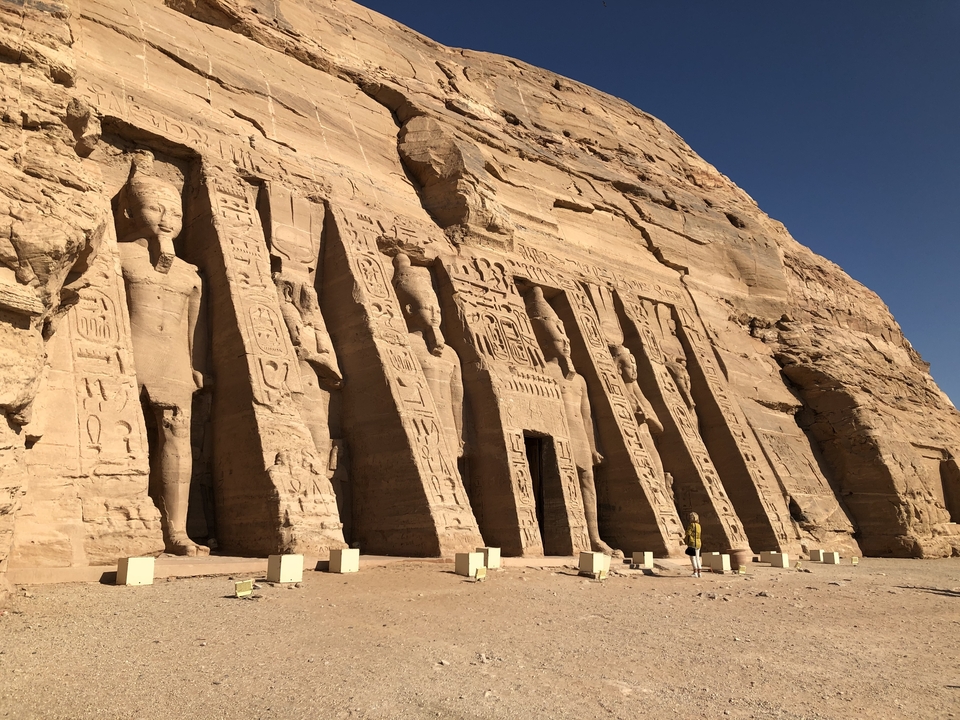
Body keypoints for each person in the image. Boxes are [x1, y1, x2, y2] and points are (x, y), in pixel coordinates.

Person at [685, 511, 702, 577]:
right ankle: (699, 572)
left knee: (693, 558)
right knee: (697, 558)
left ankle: (695, 572)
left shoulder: (691, 525)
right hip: (698, 543)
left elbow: (688, 533)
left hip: (692, 543)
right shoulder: (699, 525)